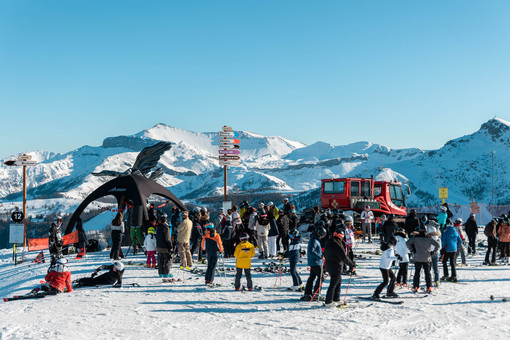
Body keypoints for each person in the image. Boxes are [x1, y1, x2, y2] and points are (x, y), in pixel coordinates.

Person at [324, 227, 354, 307]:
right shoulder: (336, 244)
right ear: (340, 236)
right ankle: (328, 301)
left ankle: (336, 299)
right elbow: (343, 257)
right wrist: (351, 264)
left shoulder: (329, 242)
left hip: (330, 265)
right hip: (335, 266)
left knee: (338, 282)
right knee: (334, 284)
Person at [407, 225, 439, 292]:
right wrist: (433, 252)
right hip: (427, 258)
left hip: (417, 257)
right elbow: (437, 245)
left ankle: (416, 287)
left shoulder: (415, 237)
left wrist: (412, 249)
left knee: (417, 273)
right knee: (427, 273)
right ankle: (429, 287)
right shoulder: (429, 237)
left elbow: (407, 243)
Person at [302, 225, 327, 301]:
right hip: (316, 262)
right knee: (321, 277)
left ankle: (308, 293)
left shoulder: (315, 239)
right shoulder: (314, 241)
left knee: (312, 277)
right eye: (322, 235)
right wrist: (320, 257)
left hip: (314, 261)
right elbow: (311, 252)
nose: (322, 237)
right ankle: (316, 294)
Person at [156, 213, 173, 281]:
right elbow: (168, 238)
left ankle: (160, 273)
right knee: (168, 260)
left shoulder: (158, 227)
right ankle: (166, 273)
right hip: (165, 247)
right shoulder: (166, 228)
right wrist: (170, 247)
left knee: (160, 260)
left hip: (159, 246)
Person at [426, 218, 442, 287]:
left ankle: (429, 281)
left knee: (428, 269)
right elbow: (440, 246)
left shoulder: (428, 238)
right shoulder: (438, 238)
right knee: (435, 269)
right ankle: (437, 281)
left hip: (429, 254)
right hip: (436, 254)